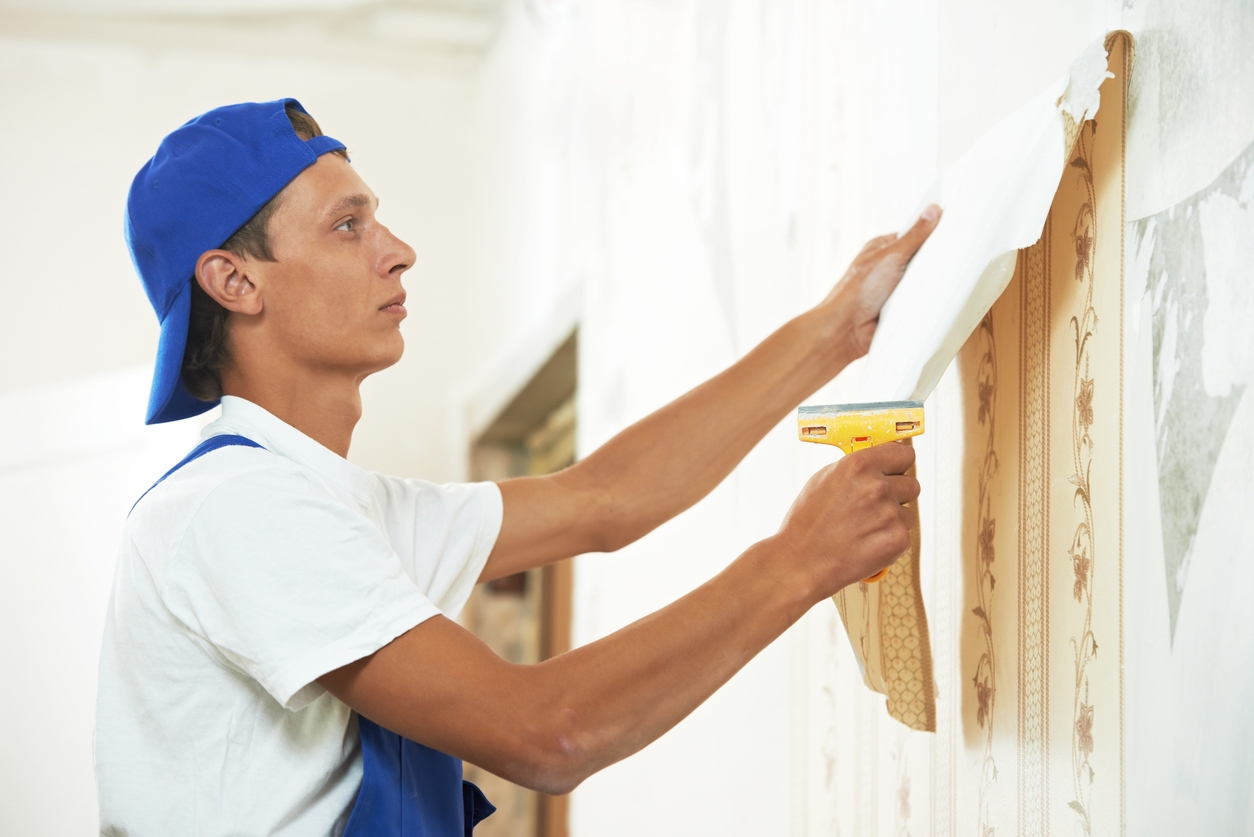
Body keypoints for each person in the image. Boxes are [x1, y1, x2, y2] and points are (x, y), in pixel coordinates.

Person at [95, 98, 939, 835]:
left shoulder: (334, 507)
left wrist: (835, 331)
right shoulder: (238, 509)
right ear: (234, 280)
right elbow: (550, 731)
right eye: (347, 225)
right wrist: (797, 562)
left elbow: (604, 498)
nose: (398, 250)